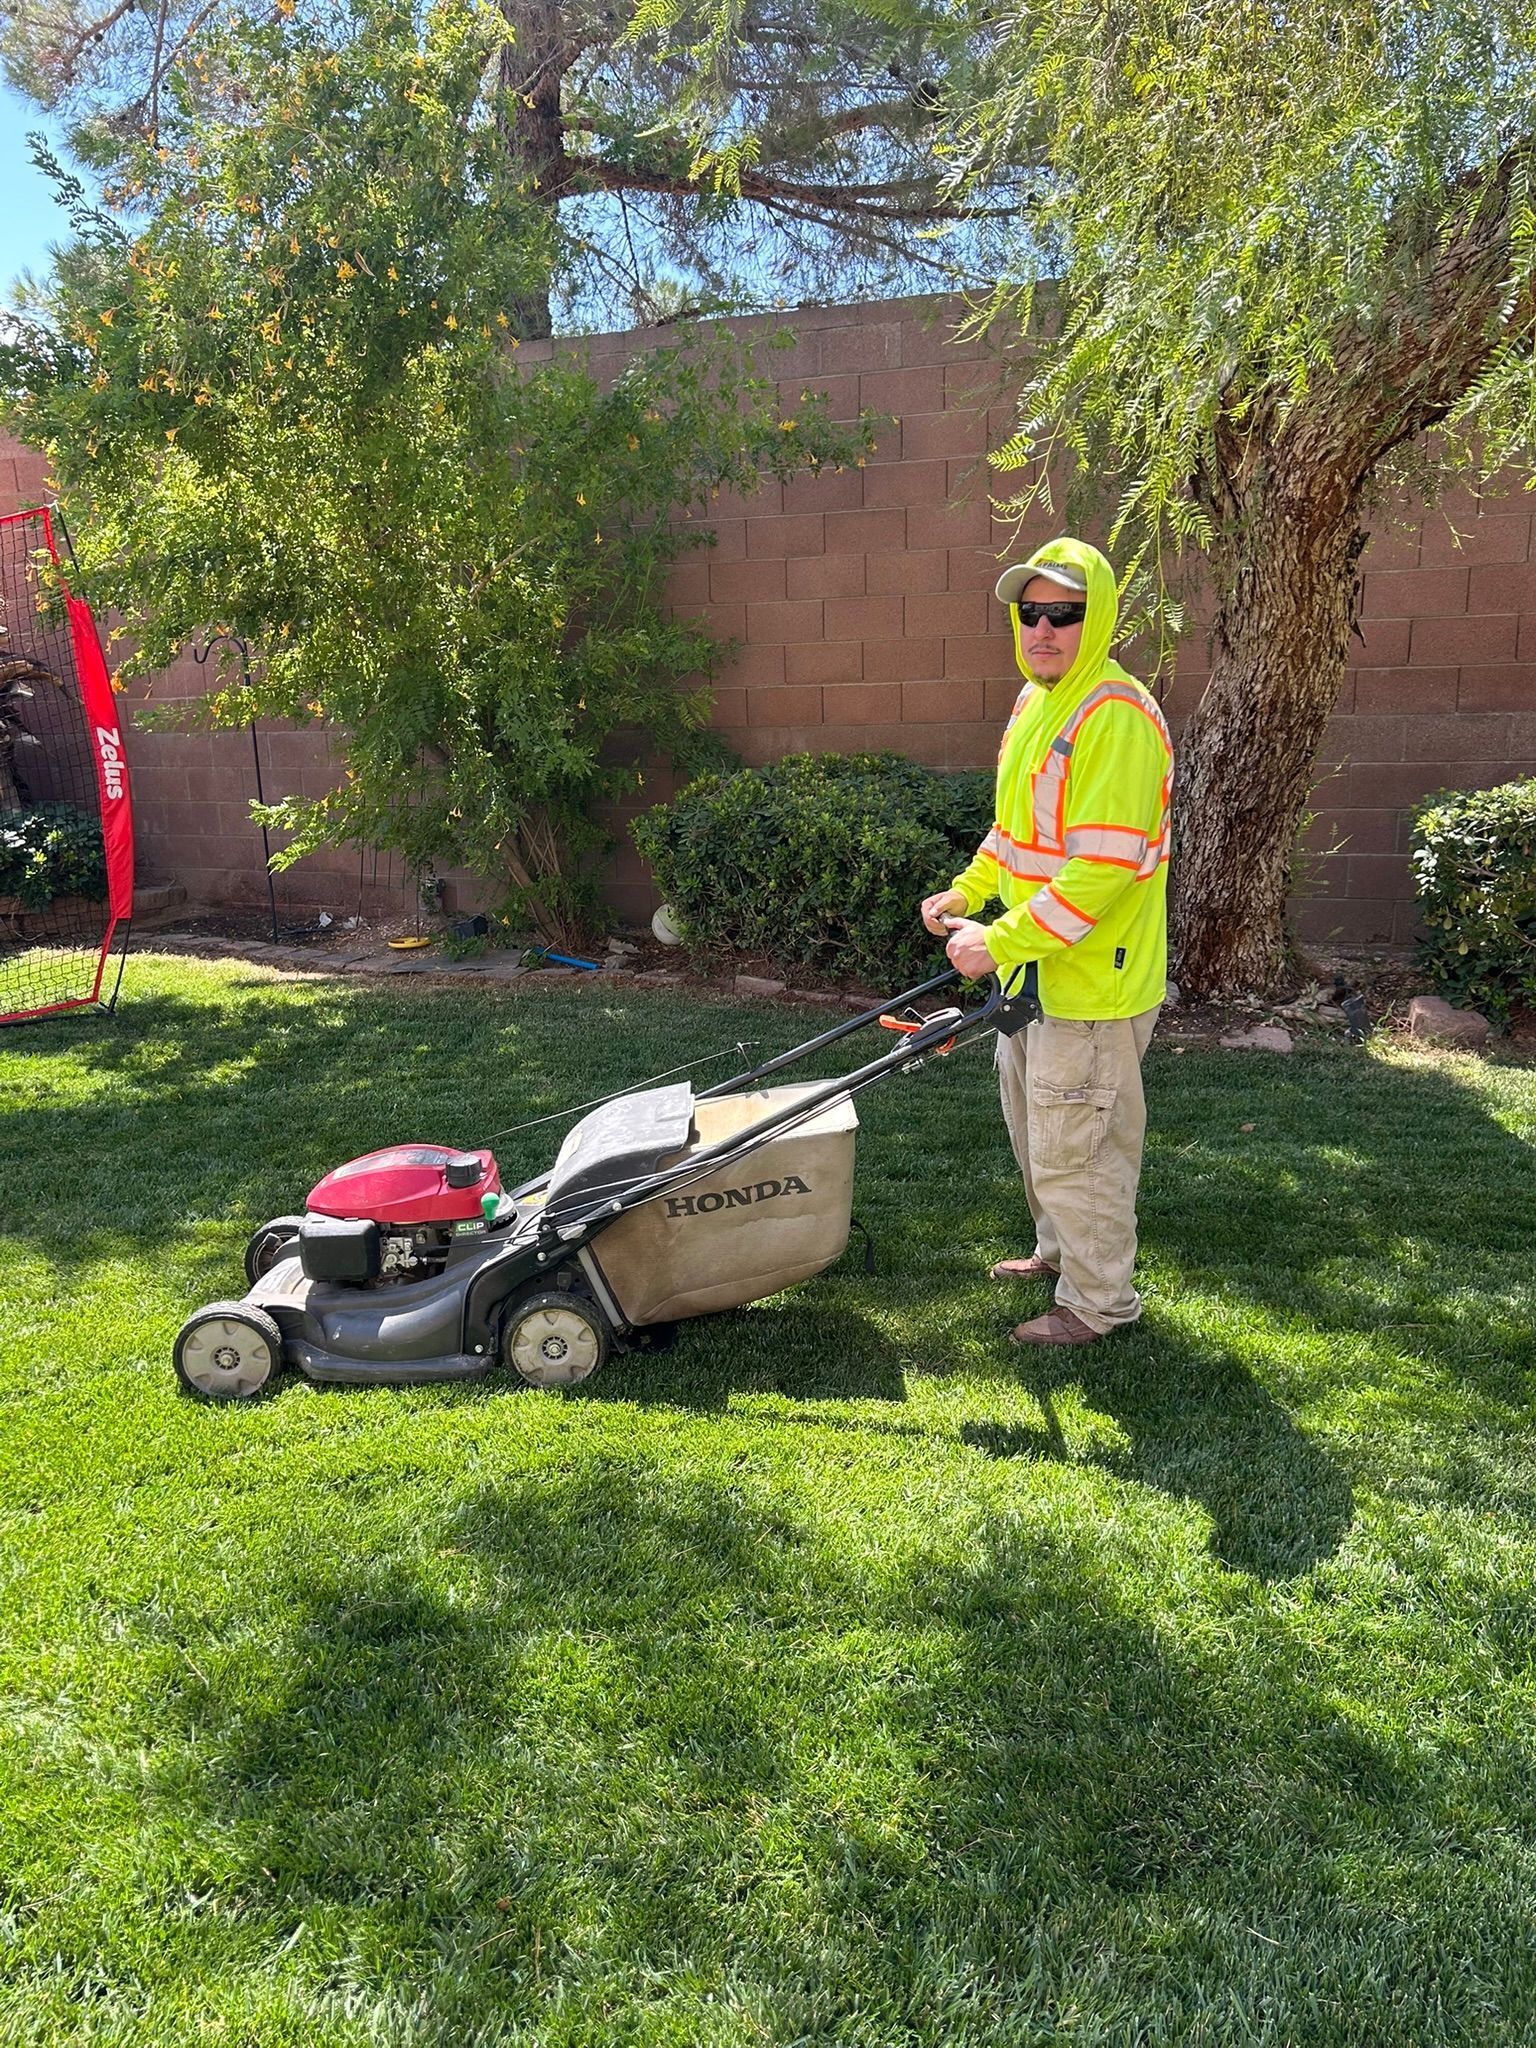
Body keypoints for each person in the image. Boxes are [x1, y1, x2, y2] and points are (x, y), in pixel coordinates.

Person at [920, 537, 1173, 1347]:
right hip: (1033, 976)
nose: (1043, 628)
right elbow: (1014, 834)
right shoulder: (1037, 704)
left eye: (1064, 613)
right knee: (1039, 1129)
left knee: (1082, 1148)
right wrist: (968, 891)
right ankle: (1058, 1254)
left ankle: (1099, 1306)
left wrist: (996, 939)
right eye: (1030, 612)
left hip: (1092, 981)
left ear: (1094, 618)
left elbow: (1099, 872)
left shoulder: (1116, 716)